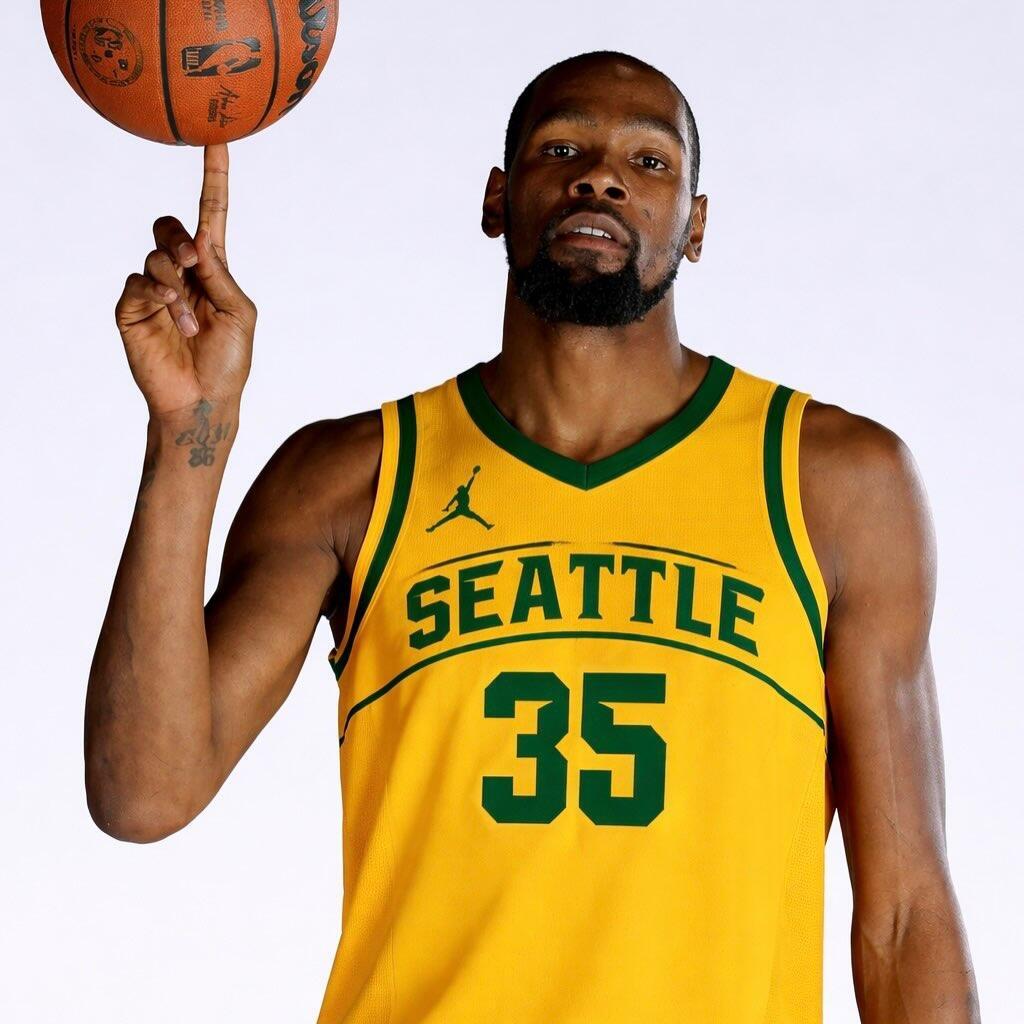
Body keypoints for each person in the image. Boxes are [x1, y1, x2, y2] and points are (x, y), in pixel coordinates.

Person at [85, 49, 979, 1022]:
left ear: (695, 227)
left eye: (648, 161)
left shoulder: (832, 482)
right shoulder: (350, 478)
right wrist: (189, 429)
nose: (600, 177)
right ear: (497, 199)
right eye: (561, 149)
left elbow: (903, 913)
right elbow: (144, 793)